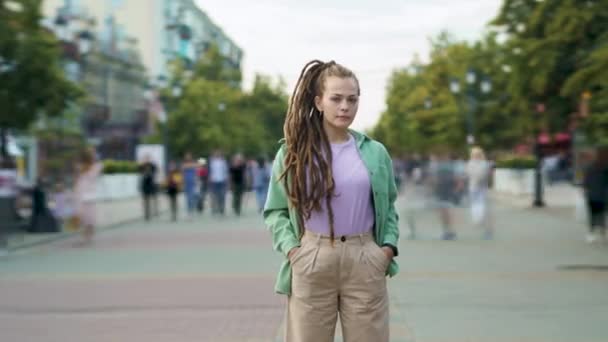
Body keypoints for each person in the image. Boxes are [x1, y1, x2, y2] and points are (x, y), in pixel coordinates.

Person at [264, 60, 399, 342]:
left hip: (365, 258)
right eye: (336, 98)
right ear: (319, 101)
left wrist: (386, 248)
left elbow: (390, 208)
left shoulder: (375, 152)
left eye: (352, 99)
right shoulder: (293, 152)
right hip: (312, 257)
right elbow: (275, 210)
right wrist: (293, 251)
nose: (345, 106)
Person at [73, 147, 102, 246]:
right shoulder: (80, 166)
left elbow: (94, 176)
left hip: (89, 192)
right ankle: (86, 236)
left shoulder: (96, 166)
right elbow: (77, 178)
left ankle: (88, 236)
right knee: (82, 214)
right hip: (81, 190)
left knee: (90, 215)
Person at [466, 146, 493, 239]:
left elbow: (485, 175)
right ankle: (478, 220)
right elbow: (468, 174)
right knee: (475, 205)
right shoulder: (470, 163)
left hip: (481, 188)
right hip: (473, 187)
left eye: (477, 154)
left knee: (482, 206)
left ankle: (486, 228)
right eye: (474, 154)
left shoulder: (484, 164)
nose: (475, 156)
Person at [582, 147, 608, 243]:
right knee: (601, 214)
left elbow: (586, 181)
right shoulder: (604, 168)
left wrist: (585, 190)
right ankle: (601, 232)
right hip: (601, 195)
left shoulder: (590, 167)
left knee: (593, 214)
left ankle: (593, 233)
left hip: (593, 194)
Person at [209, 150, 229, 215]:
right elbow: (210, 171)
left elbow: (226, 171)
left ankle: (222, 208)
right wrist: (210, 179)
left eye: (218, 153)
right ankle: (215, 208)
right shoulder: (212, 162)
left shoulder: (223, 162)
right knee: (214, 196)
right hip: (214, 181)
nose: (217, 154)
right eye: (216, 153)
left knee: (222, 195)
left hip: (222, 180)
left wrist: (226, 179)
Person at [138, 155, 158, 221]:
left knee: (154, 199)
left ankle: (156, 211)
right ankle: (147, 215)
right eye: (145, 158)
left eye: (148, 158)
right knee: (146, 201)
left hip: (151, 185)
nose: (146, 160)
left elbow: (156, 170)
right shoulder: (142, 166)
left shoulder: (152, 165)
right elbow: (139, 171)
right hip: (145, 185)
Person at [182, 153, 199, 218]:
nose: (188, 157)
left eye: (189, 156)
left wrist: (189, 166)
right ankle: (189, 211)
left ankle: (192, 210)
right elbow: (183, 169)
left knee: (191, 197)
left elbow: (196, 169)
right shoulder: (184, 164)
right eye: (186, 156)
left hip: (192, 183)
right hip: (186, 183)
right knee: (187, 198)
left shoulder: (193, 163)